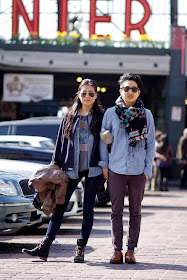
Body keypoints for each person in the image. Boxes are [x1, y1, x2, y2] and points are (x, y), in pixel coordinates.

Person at [22, 79, 104, 262]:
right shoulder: (69, 115)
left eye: (91, 93)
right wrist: (55, 166)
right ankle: (45, 246)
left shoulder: (101, 116)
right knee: (59, 206)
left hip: (94, 167)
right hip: (70, 167)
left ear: (96, 95)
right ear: (78, 94)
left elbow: (106, 142)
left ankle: (80, 248)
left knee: (88, 208)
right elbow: (60, 142)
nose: (88, 96)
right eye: (84, 93)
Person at [99, 73, 155, 264]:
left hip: (138, 171)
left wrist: (147, 169)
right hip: (115, 169)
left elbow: (151, 144)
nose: (130, 92)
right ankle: (117, 250)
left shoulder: (146, 114)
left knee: (135, 212)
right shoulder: (110, 113)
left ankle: (131, 250)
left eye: (134, 89)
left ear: (138, 92)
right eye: (126, 88)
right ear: (120, 90)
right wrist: (105, 166)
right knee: (116, 212)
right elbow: (103, 142)